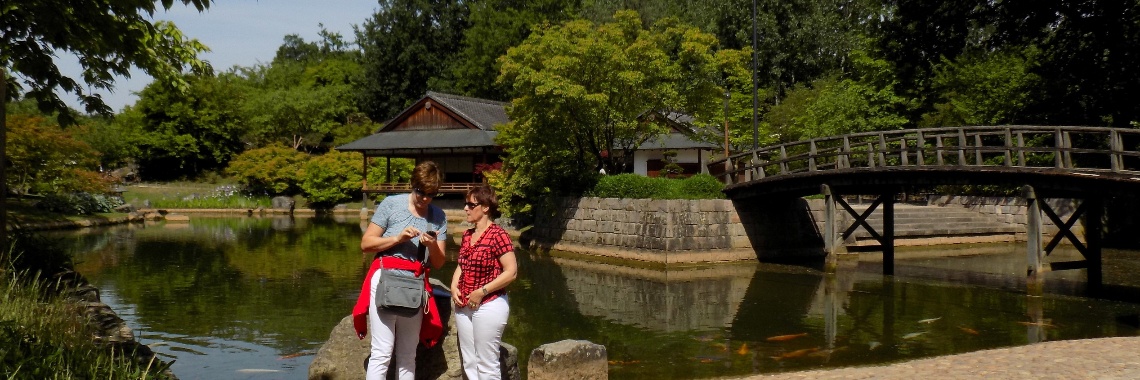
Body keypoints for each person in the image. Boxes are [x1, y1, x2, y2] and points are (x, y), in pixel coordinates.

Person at [352, 161, 448, 380]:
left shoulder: (438, 216)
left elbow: (440, 262)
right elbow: (366, 244)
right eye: (420, 192)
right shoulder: (391, 204)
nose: (425, 199)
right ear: (412, 185)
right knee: (382, 352)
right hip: (386, 277)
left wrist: (432, 245)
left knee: (408, 354)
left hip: (415, 284)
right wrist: (398, 238)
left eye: (431, 194)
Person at [451, 184, 518, 380]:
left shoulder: (498, 235)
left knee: (487, 364)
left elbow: (511, 272)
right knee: (469, 362)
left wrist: (482, 291)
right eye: (466, 204)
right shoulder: (467, 236)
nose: (466, 209)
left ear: (486, 207)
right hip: (463, 304)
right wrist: (454, 286)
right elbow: (462, 265)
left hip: (489, 304)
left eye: (471, 205)